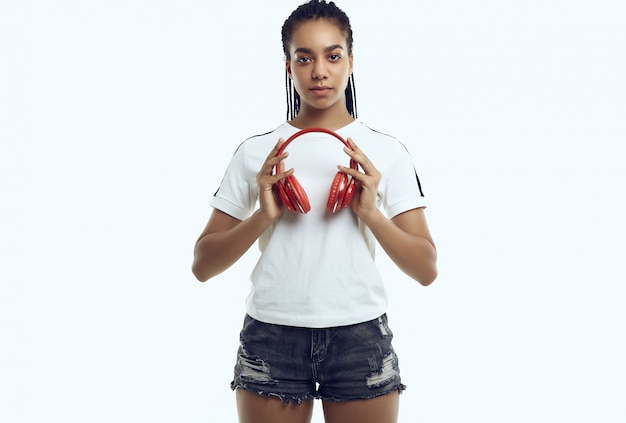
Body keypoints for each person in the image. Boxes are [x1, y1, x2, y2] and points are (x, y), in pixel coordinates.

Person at [191, 1, 437, 422]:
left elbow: (426, 270)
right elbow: (202, 265)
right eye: (304, 58)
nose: (319, 70)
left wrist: (372, 213)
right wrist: (263, 216)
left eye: (332, 55)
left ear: (351, 62)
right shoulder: (255, 152)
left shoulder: (388, 153)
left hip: (360, 336)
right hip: (272, 336)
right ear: (288, 66)